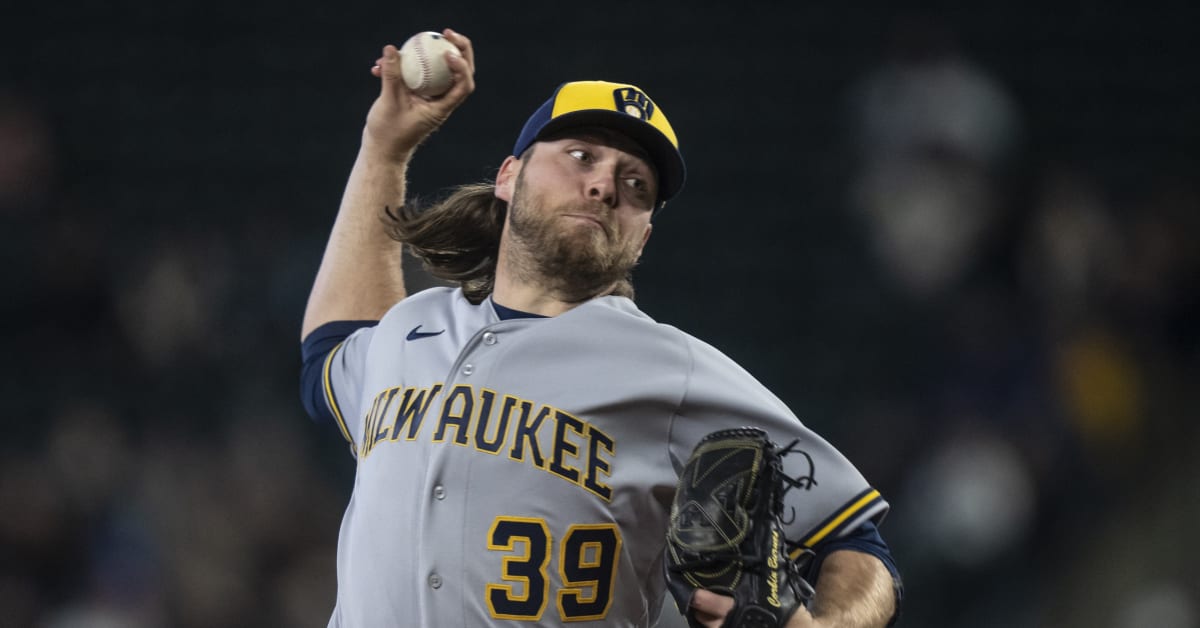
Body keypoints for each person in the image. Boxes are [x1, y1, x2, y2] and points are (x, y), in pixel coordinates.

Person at [299, 29, 901, 628]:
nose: (604, 184)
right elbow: (330, 353)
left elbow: (856, 542)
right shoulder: (414, 325)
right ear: (509, 176)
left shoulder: (670, 368)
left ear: (643, 234)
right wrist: (384, 151)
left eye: (636, 184)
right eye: (581, 156)